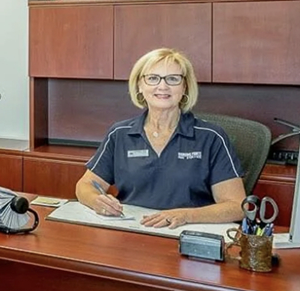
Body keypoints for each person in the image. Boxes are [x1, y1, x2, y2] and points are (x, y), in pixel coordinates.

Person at [75, 47, 245, 227]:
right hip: (133, 230)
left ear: (184, 86)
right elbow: (85, 185)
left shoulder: (211, 137)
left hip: (188, 232)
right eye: (153, 78)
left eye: (173, 79)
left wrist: (186, 215)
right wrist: (96, 201)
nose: (162, 86)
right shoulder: (120, 133)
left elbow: (237, 207)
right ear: (140, 85)